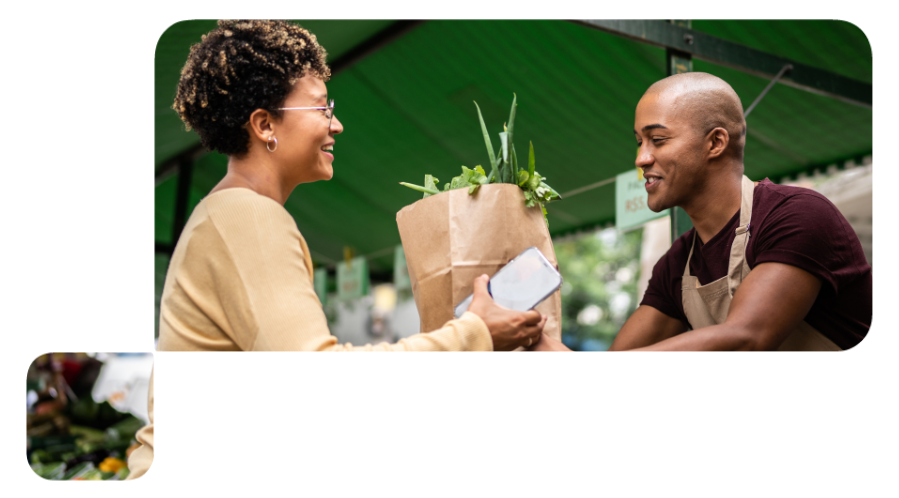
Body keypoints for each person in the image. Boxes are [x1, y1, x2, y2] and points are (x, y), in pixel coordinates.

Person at [156, 19, 546, 352]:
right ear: (264, 125)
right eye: (321, 107)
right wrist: (475, 332)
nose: (336, 125)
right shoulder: (247, 216)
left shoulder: (225, 213)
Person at [530, 72, 871, 351]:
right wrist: (531, 337)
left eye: (658, 140)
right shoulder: (677, 264)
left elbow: (746, 338)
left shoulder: (797, 215)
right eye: (639, 142)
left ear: (715, 143)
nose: (641, 159)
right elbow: (618, 366)